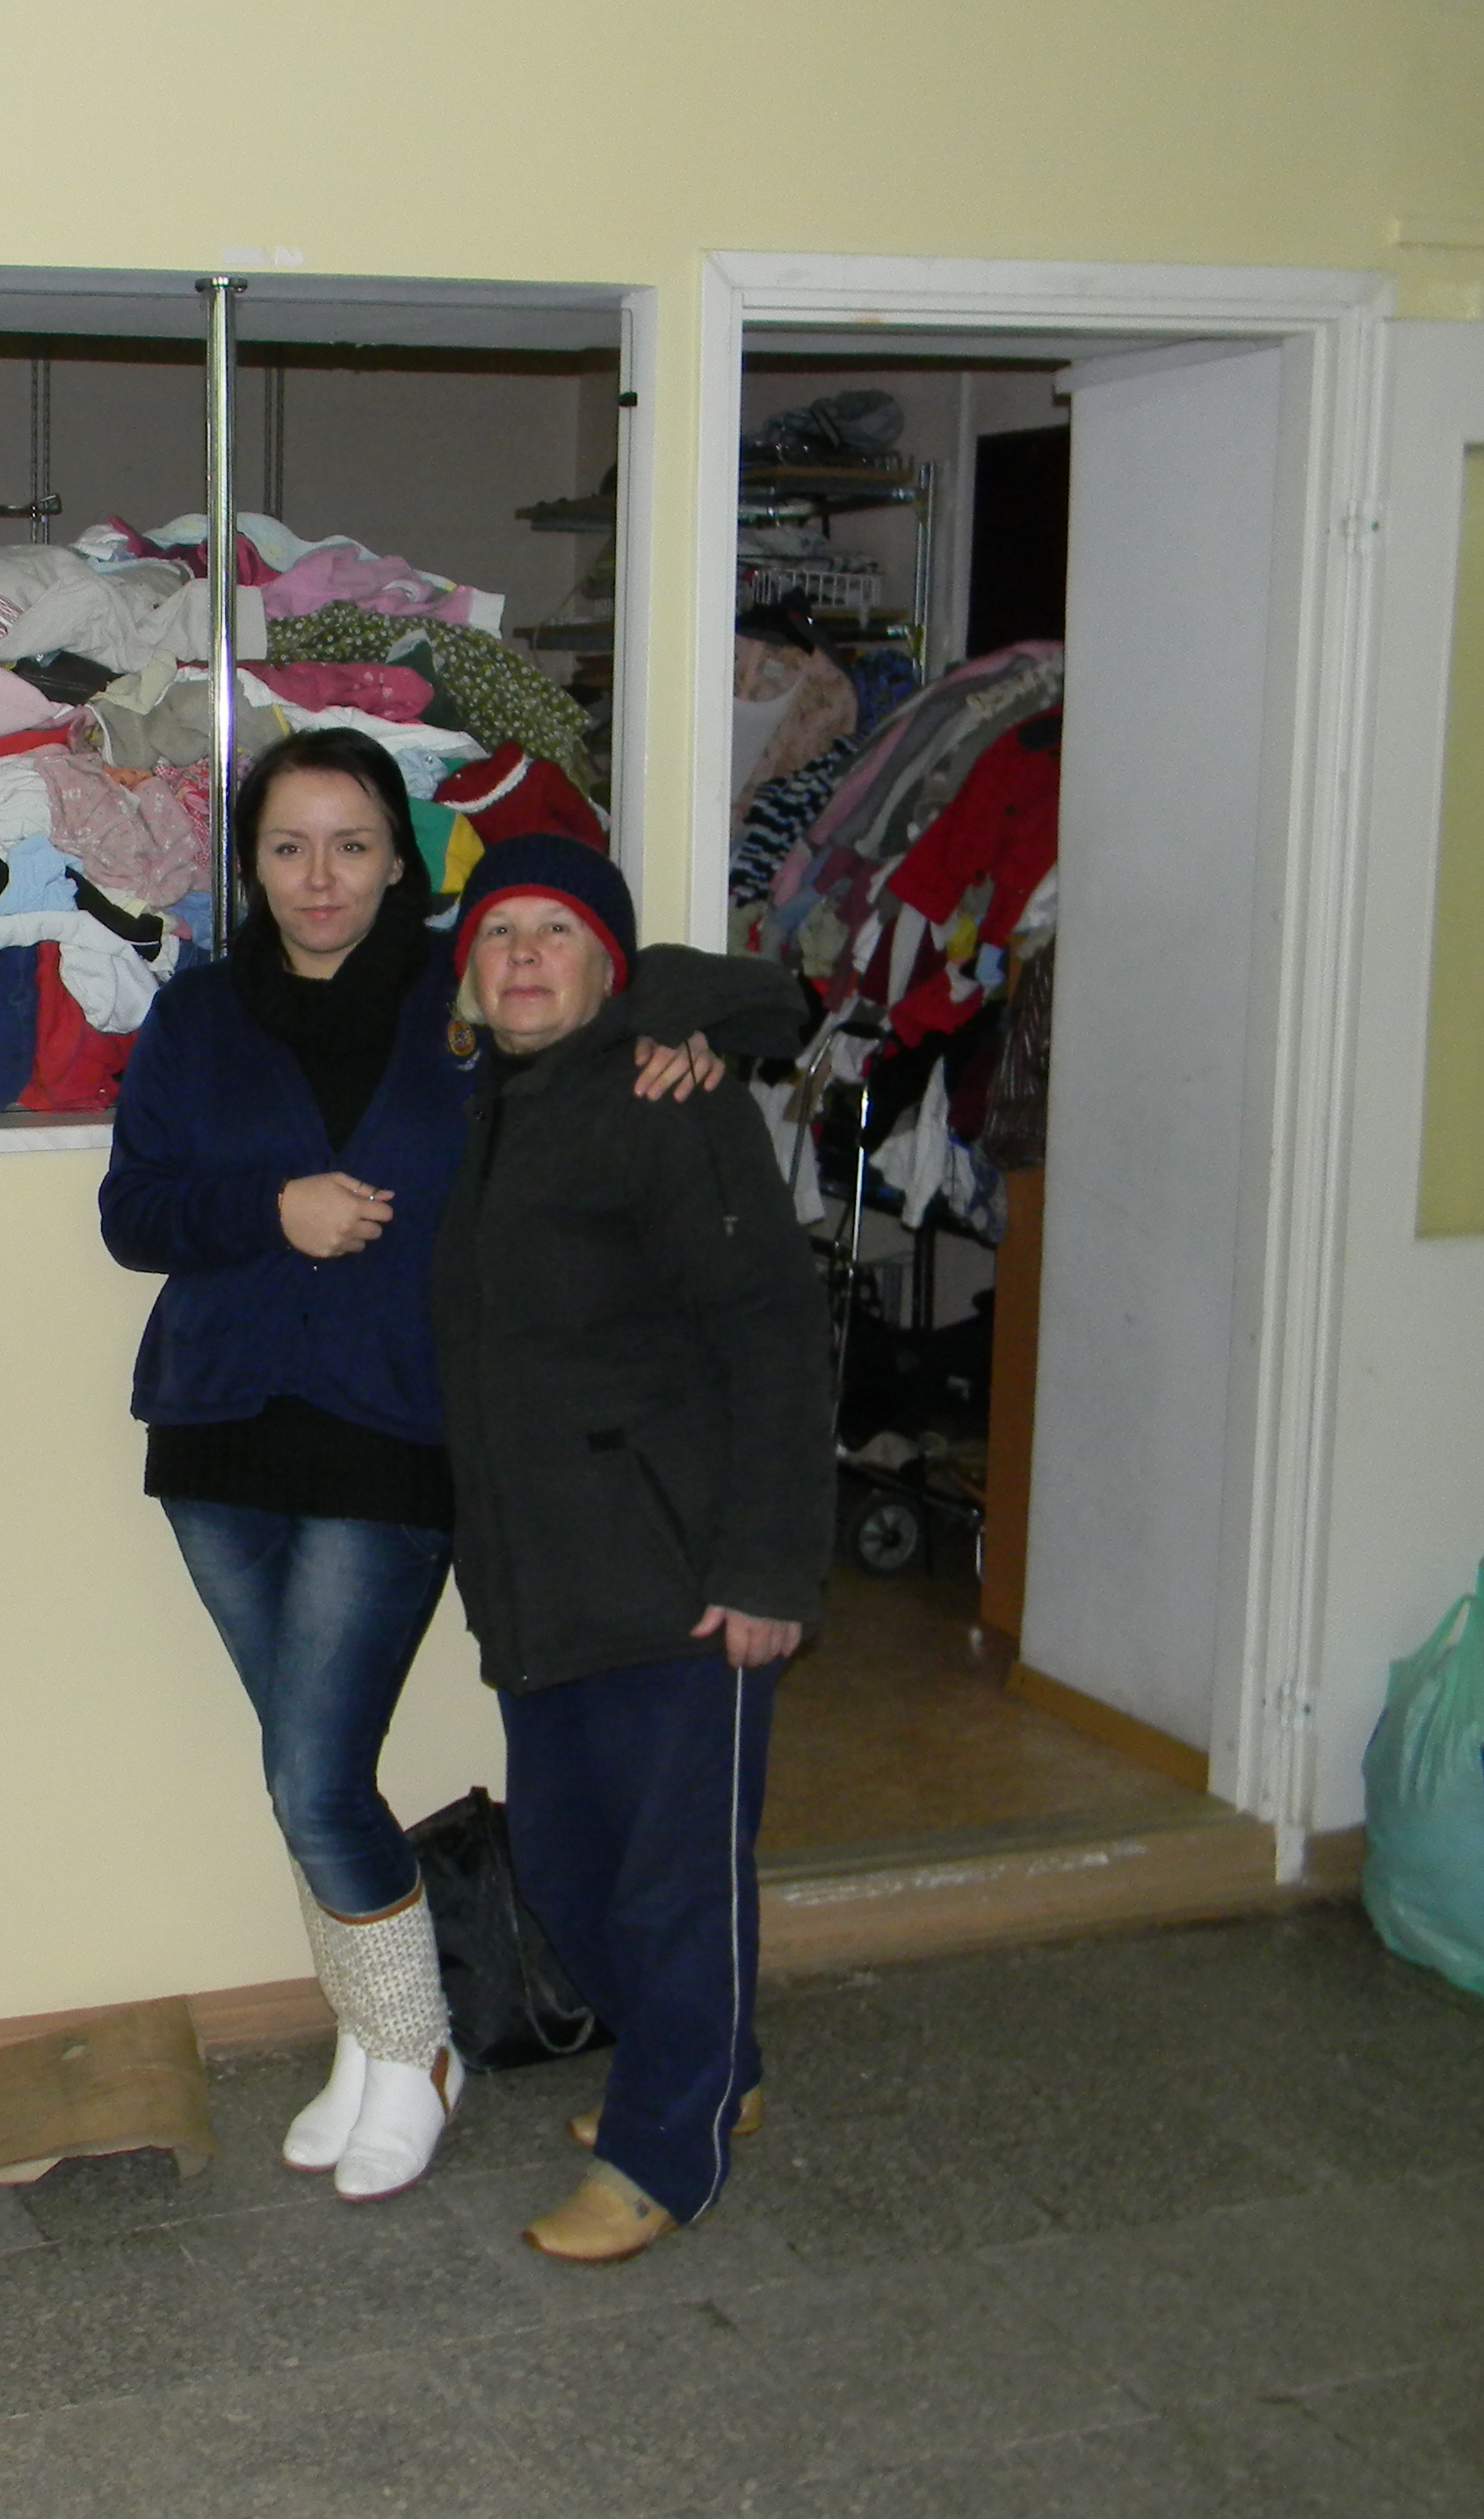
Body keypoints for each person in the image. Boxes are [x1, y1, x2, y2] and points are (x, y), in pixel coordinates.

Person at [98, 733, 746, 2203]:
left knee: (315, 1775)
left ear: (402, 857)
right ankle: (374, 2044)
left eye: (351, 844)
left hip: (397, 1428)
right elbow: (133, 1214)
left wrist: (687, 1033)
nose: (319, 877)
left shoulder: (463, 1001)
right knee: (304, 1771)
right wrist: (271, 1209)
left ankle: (415, 2051)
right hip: (214, 1431)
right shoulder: (197, 1013)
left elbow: (617, 979)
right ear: (251, 867)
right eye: (288, 847)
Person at [431, 833, 832, 2267]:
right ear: (468, 978)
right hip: (543, 1582)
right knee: (566, 1873)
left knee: (671, 1888)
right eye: (499, 933)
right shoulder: (492, 1107)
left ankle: (670, 2149)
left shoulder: (672, 1098)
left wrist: (770, 1568)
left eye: (558, 931)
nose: (525, 955)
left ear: (611, 968)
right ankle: (719, 2061)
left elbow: (773, 1334)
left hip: (681, 1582)